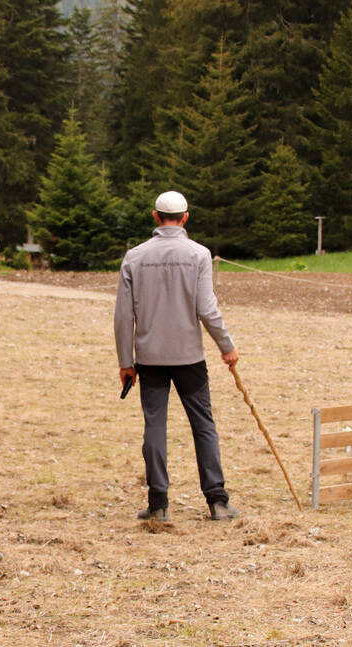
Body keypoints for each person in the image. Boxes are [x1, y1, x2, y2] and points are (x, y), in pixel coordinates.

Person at [114, 190, 240, 522]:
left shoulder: (135, 257)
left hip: (150, 358)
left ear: (155, 217)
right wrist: (226, 346)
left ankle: (158, 505)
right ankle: (217, 502)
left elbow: (123, 316)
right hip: (189, 358)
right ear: (185, 218)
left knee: (154, 426)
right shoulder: (199, 255)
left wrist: (125, 362)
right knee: (204, 426)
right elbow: (207, 308)